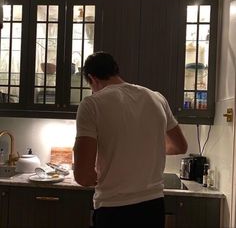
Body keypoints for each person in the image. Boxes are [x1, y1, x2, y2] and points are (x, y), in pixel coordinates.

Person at [73, 51, 188, 228]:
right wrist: (147, 147)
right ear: (115, 71)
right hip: (153, 206)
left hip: (113, 209)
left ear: (92, 78)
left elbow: (83, 176)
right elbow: (180, 146)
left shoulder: (91, 104)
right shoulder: (157, 98)